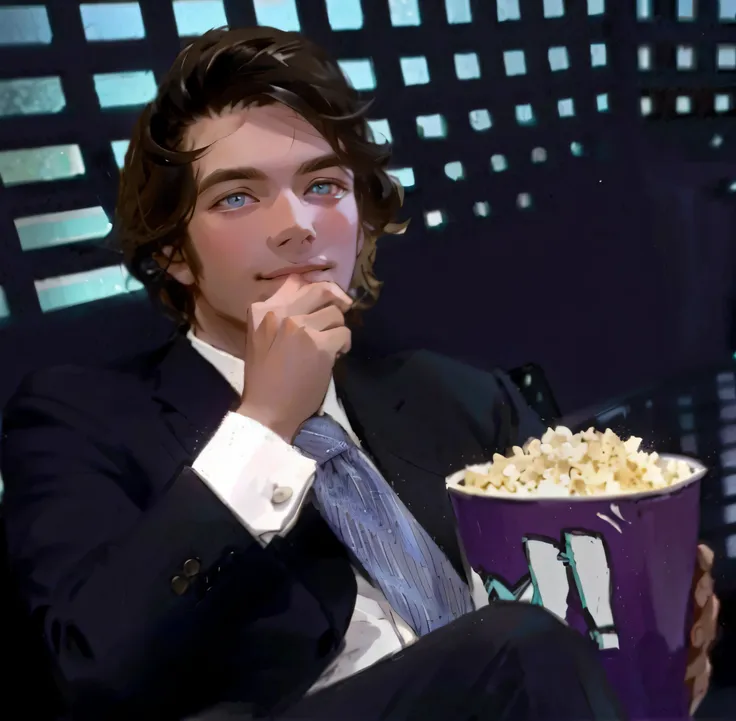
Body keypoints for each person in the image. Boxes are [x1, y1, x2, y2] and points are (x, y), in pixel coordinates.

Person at [0, 27, 718, 721]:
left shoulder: (459, 396)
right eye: (237, 198)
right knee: (517, 644)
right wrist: (265, 424)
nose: (297, 225)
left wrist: (650, 650)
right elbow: (93, 667)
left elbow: (577, 611)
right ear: (177, 253)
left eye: (322, 185)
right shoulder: (78, 416)